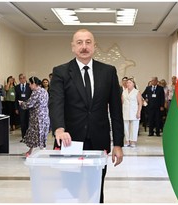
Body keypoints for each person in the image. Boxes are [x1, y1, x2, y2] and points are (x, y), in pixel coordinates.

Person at [49, 29, 124, 203]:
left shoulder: (108, 71)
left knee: (95, 189)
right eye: (80, 42)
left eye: (88, 42)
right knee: (70, 189)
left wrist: (118, 143)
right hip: (69, 141)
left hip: (99, 141)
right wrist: (59, 129)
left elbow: (115, 109)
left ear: (94, 46)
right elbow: (56, 102)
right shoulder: (61, 72)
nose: (84, 46)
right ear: (73, 47)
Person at [19, 76, 50, 156]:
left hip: (37, 118)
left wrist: (21, 103)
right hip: (45, 116)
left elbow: (29, 104)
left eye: (30, 84)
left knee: (36, 135)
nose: (29, 86)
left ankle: (37, 153)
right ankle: (32, 151)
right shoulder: (44, 91)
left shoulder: (36, 92)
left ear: (34, 84)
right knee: (41, 135)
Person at [122, 77, 142, 147]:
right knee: (126, 126)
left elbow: (140, 103)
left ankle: (133, 141)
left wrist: (138, 112)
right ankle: (127, 140)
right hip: (125, 110)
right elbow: (122, 102)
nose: (128, 84)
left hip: (134, 111)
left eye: (130, 82)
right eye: (127, 82)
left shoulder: (137, 92)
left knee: (134, 126)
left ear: (133, 84)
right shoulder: (124, 91)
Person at [15, 73, 32, 142]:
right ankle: (24, 137)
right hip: (21, 107)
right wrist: (16, 108)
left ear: (25, 78)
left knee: (28, 122)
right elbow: (16, 98)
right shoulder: (17, 87)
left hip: (29, 106)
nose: (22, 79)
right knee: (22, 122)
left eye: (23, 78)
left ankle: (29, 137)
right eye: (20, 78)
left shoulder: (29, 86)